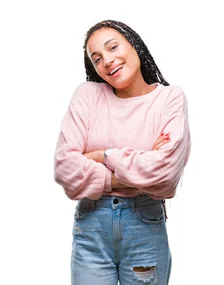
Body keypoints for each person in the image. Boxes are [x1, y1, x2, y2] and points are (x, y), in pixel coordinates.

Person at [54, 20, 191, 285]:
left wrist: (103, 155)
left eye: (113, 47)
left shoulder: (169, 98)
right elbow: (64, 167)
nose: (107, 60)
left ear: (134, 45)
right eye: (97, 59)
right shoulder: (87, 95)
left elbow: (164, 173)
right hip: (91, 226)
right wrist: (138, 166)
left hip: (145, 226)